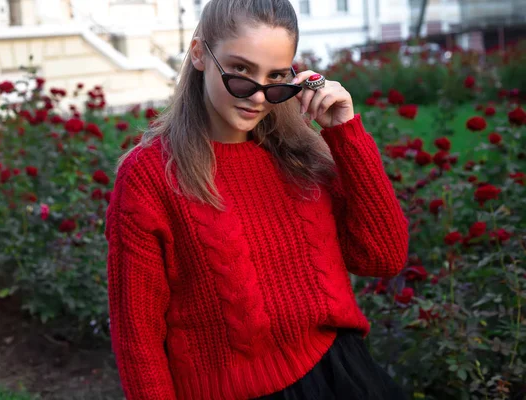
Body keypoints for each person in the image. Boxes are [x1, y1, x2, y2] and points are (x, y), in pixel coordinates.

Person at [104, 0, 410, 399]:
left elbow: (382, 258)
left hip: (338, 373)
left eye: (277, 77)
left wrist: (346, 132)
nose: (258, 96)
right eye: (241, 71)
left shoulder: (301, 153)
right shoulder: (151, 177)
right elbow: (138, 337)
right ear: (199, 53)